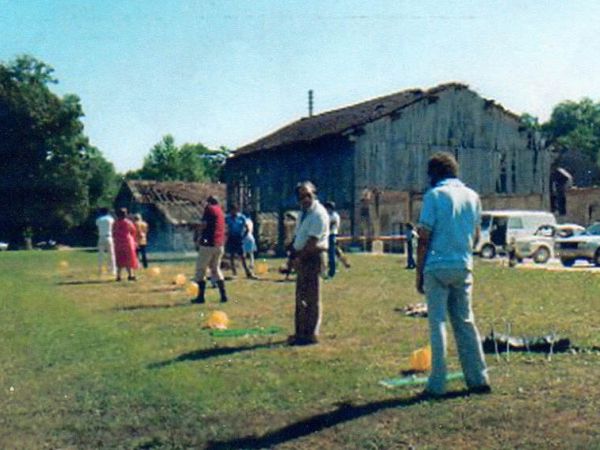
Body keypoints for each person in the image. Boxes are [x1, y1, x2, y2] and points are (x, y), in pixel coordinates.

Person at [416, 152, 491, 397]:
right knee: (465, 322)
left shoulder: (434, 196)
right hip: (463, 264)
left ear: (434, 174)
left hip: (437, 266)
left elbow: (424, 238)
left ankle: (437, 383)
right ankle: (478, 378)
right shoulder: (473, 196)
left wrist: (419, 272)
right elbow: (477, 235)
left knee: (437, 324)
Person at [288, 181, 329, 346]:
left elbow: (312, 242)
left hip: (313, 256)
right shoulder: (303, 213)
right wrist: (292, 253)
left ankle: (311, 335)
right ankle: (300, 333)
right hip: (302, 256)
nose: (305, 199)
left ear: (314, 194)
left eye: (308, 195)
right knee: (300, 297)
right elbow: (299, 237)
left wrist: (298, 258)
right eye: (301, 196)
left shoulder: (319, 214)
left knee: (312, 298)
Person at [192, 195, 229, 304]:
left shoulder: (209, 209)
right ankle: (223, 295)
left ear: (209, 202)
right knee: (216, 269)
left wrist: (197, 237)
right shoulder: (221, 211)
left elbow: (204, 225)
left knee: (200, 269)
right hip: (219, 244)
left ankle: (201, 297)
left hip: (208, 244)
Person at [225, 204, 257, 279]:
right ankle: (234, 272)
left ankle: (247, 272)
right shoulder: (228, 218)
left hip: (239, 238)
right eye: (232, 211)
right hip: (231, 238)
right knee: (232, 256)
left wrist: (243, 236)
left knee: (242, 256)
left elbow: (247, 228)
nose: (234, 213)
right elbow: (224, 226)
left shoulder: (241, 217)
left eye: (235, 211)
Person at [112, 208, 139, 281]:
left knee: (119, 259)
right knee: (129, 259)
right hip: (127, 242)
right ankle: (130, 275)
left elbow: (114, 232)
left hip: (118, 242)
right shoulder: (128, 222)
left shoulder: (115, 223)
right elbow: (133, 231)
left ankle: (118, 276)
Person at [95, 207, 116, 277]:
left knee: (100, 255)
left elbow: (97, 225)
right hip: (109, 236)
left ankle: (100, 270)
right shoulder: (110, 219)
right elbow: (114, 224)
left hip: (101, 237)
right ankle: (113, 270)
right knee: (111, 254)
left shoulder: (99, 219)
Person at [324, 201, 340, 278]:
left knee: (331, 254)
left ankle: (332, 271)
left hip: (331, 235)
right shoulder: (327, 215)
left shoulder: (334, 216)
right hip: (326, 235)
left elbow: (330, 226)